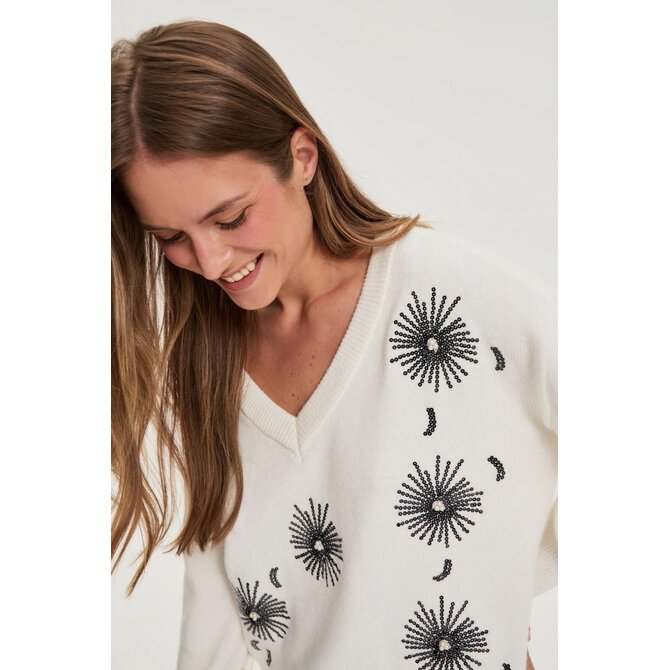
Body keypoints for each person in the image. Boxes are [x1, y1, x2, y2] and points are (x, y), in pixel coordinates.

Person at [111, 19, 556, 670]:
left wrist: (502, 588)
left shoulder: (459, 304)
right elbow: (216, 615)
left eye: (230, 217)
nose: (208, 261)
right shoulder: (205, 362)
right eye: (171, 238)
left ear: (302, 156)